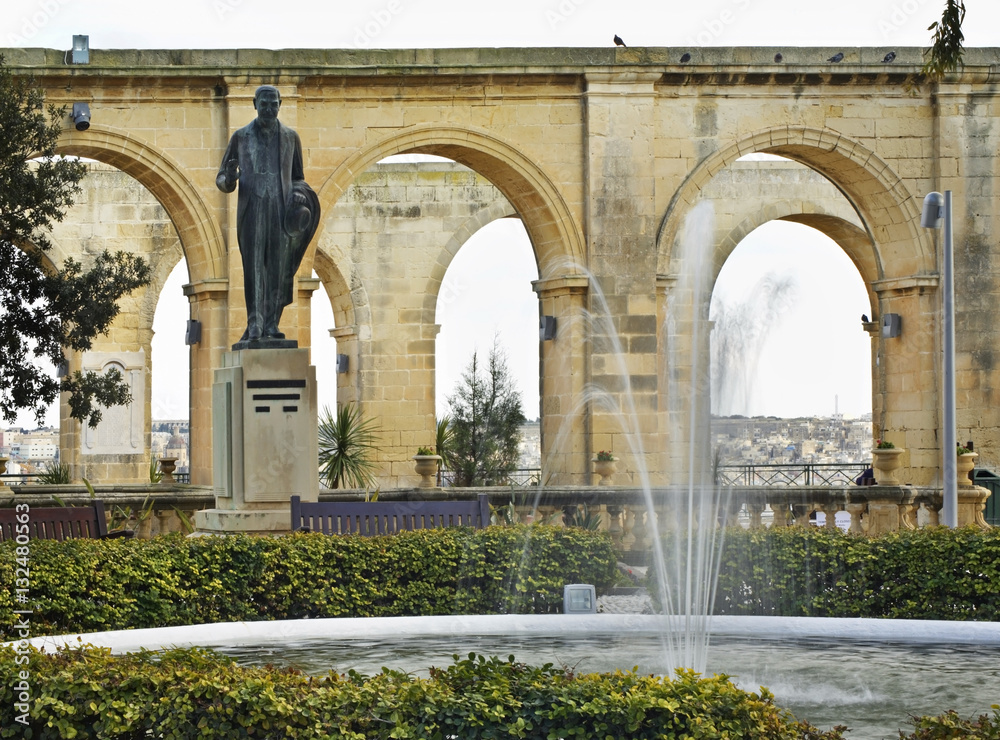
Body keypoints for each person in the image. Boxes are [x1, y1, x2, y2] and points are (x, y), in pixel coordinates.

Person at [216, 85, 320, 347]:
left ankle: (272, 323)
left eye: (274, 104)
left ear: (280, 104)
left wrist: (297, 192)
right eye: (264, 104)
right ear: (255, 104)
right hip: (252, 209)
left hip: (280, 209)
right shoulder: (240, 137)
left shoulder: (290, 138)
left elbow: (298, 178)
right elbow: (222, 179)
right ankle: (255, 323)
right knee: (254, 269)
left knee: (278, 268)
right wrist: (229, 178)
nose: (270, 109)